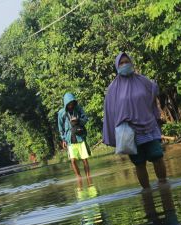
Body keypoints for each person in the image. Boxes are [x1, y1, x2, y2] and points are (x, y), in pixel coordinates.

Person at [103, 52, 167, 189]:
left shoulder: (142, 80)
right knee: (139, 163)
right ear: (117, 66)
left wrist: (155, 89)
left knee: (157, 156)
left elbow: (152, 94)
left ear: (131, 63)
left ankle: (164, 186)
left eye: (127, 62)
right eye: (121, 63)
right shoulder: (113, 89)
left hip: (149, 127)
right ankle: (147, 192)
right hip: (129, 133)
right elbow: (110, 112)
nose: (125, 65)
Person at [58, 92, 91, 178]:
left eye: (72, 103)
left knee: (84, 159)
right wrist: (63, 139)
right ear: (66, 103)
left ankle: (88, 177)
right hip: (70, 139)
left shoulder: (78, 109)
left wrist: (78, 120)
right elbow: (60, 127)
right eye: (69, 103)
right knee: (72, 160)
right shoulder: (61, 113)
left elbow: (86, 119)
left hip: (79, 136)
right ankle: (79, 177)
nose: (71, 105)